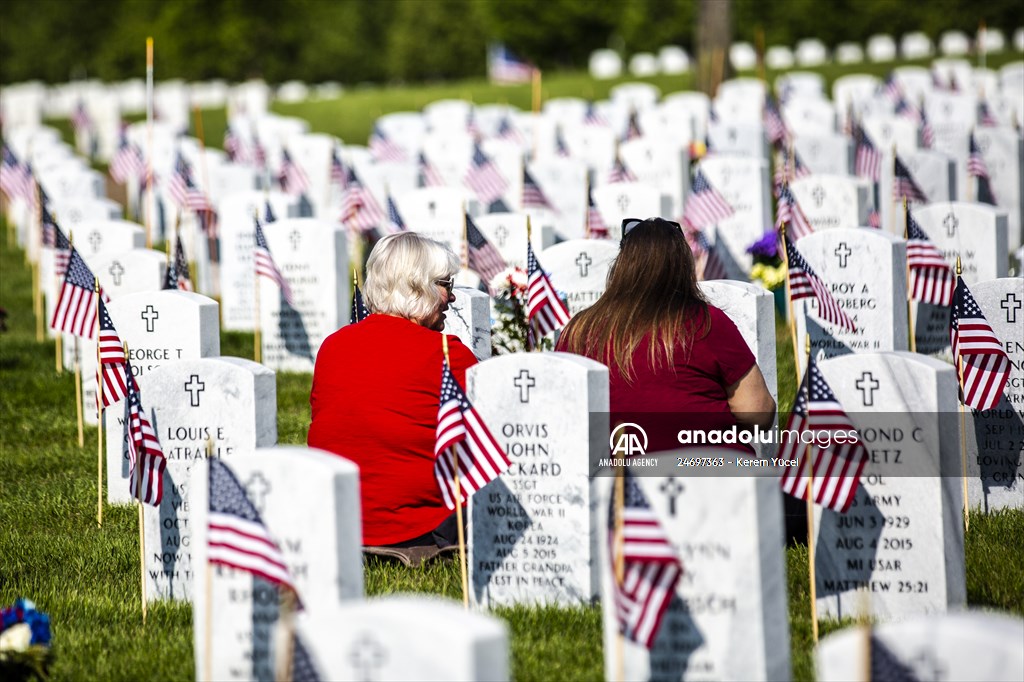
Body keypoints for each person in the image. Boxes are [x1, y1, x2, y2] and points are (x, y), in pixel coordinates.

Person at [308, 232, 476, 548]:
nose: (451, 298)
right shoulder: (447, 354)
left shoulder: (333, 346)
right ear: (418, 286)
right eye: (445, 285)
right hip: (419, 526)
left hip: (339, 519)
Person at [556, 217, 775, 451]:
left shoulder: (578, 330)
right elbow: (758, 411)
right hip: (708, 472)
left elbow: (561, 411)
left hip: (617, 473)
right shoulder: (706, 322)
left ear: (621, 265)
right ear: (683, 266)